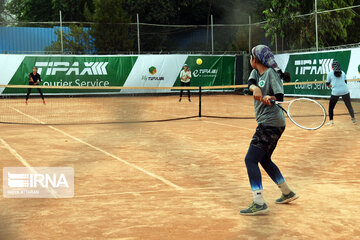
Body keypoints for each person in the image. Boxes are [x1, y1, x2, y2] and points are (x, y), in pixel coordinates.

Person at [240, 45, 298, 216]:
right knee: (264, 159)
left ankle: (259, 202)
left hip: (271, 124)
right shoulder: (256, 73)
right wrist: (255, 89)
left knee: (250, 159)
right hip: (269, 123)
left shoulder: (271, 74)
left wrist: (270, 98)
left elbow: (279, 97)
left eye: (250, 57)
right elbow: (251, 84)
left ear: (254, 59)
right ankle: (287, 192)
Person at [325, 61, 357, 126]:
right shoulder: (343, 73)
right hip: (345, 91)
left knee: (331, 107)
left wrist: (331, 86)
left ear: (332, 67)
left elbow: (327, 84)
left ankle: (331, 121)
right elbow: (345, 82)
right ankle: (354, 119)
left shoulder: (330, 74)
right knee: (349, 105)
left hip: (335, 92)